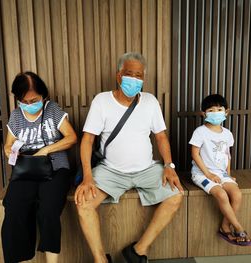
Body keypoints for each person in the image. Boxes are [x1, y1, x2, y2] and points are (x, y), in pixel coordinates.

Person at [74, 52, 184, 263]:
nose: (134, 79)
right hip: (110, 170)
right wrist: (88, 176)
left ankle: (138, 251)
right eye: (129, 74)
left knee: (176, 194)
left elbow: (161, 137)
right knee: (83, 204)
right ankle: (100, 259)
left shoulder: (151, 101)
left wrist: (169, 165)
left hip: (147, 169)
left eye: (139, 75)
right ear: (119, 76)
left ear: (143, 79)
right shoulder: (102, 101)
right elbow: (87, 140)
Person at [2, 72, 77, 263]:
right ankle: (20, 259)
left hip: (55, 167)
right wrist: (11, 151)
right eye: (24, 101)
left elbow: (71, 137)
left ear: (43, 96)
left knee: (48, 209)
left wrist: (46, 150)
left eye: (33, 100)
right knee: (13, 207)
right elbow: (7, 145)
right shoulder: (16, 115)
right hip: (26, 169)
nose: (29, 105)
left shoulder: (52, 109)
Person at [189, 94, 251, 246]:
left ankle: (224, 226)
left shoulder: (227, 134)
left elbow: (227, 155)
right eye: (211, 110)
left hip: (221, 173)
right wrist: (208, 174)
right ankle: (238, 226)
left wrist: (228, 175)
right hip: (201, 173)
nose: (215, 112)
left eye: (219, 109)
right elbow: (194, 154)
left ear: (226, 112)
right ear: (204, 114)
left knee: (236, 194)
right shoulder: (200, 132)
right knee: (222, 195)